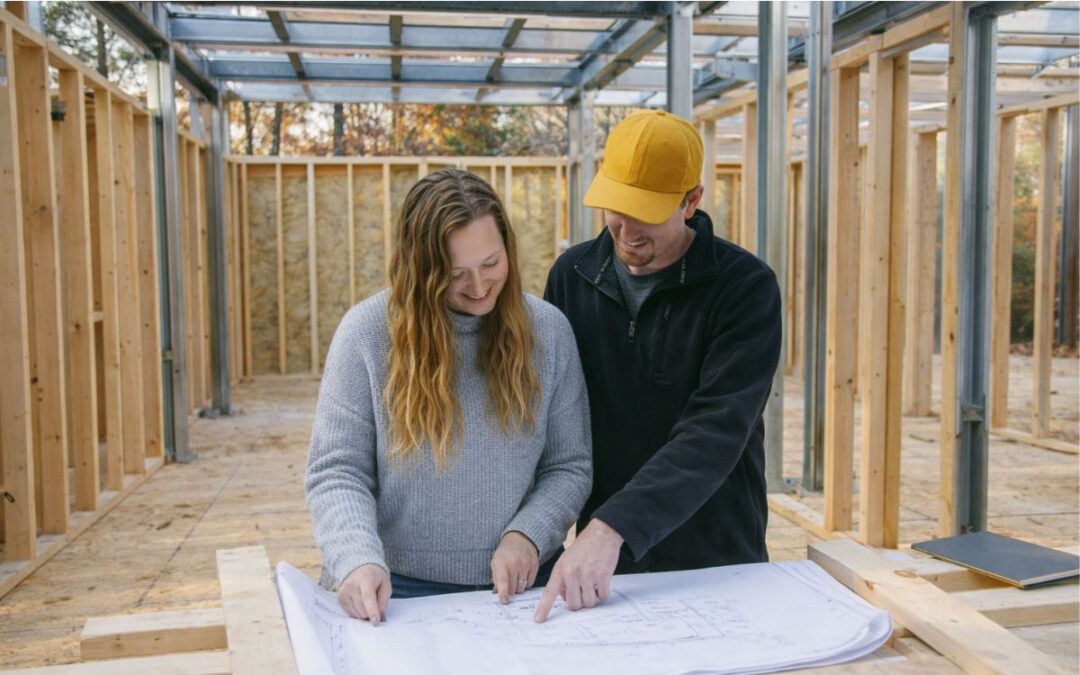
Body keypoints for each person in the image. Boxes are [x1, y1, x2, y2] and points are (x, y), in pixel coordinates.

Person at [306, 168, 591, 624]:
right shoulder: (366, 334)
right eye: (455, 274)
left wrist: (528, 536)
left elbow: (569, 465)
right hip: (397, 589)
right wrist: (357, 557)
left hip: (524, 585)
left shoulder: (549, 333)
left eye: (491, 264)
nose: (479, 288)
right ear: (420, 269)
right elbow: (336, 471)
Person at [536, 110, 782, 622]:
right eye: (615, 208)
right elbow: (552, 416)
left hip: (715, 553)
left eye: (644, 211)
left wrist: (614, 525)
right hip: (607, 564)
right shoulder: (572, 278)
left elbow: (714, 431)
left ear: (692, 200)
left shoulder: (745, 289)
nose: (625, 230)